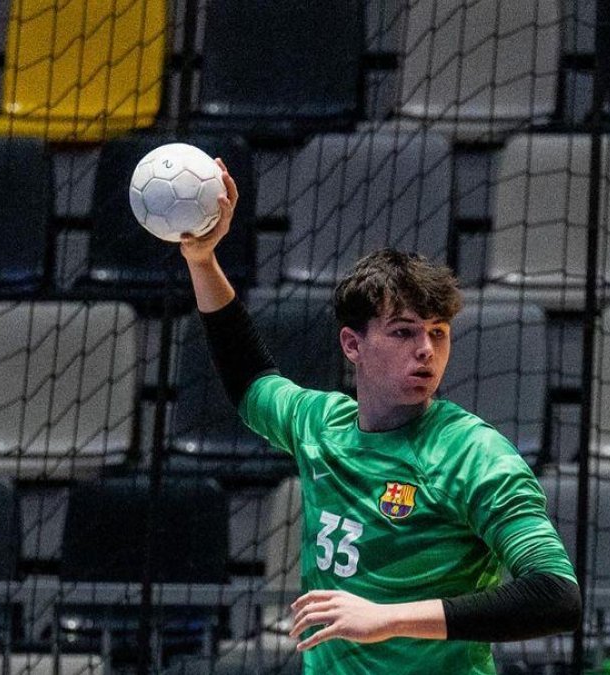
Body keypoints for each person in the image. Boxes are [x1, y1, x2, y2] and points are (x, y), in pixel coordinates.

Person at [178, 160, 582, 674]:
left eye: (438, 332)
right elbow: (249, 378)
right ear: (353, 344)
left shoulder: (474, 455)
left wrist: (387, 619)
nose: (425, 351)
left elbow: (555, 596)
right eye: (403, 332)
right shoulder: (320, 425)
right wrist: (202, 259)